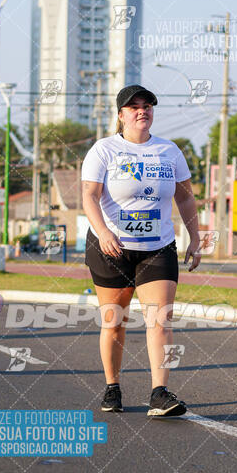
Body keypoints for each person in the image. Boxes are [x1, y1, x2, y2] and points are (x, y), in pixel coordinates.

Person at [82, 84, 201, 417]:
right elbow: (89, 196)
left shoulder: (169, 151)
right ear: (121, 116)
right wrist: (103, 232)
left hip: (157, 248)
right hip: (112, 247)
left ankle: (159, 393)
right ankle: (112, 387)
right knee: (114, 321)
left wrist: (195, 237)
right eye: (133, 107)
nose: (142, 110)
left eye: (147, 105)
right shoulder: (104, 150)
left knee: (160, 320)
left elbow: (186, 197)